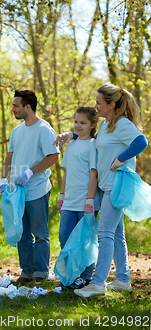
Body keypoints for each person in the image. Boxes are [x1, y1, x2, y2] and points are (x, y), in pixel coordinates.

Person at [53, 84, 148, 298]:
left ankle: (98, 283)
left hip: (116, 185)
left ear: (111, 105)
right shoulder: (107, 124)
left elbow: (141, 141)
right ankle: (123, 279)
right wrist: (70, 135)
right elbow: (92, 139)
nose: (96, 106)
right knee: (116, 234)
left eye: (99, 103)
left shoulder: (121, 123)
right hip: (105, 186)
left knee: (104, 233)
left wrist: (120, 159)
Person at [0, 90, 59, 284]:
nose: (12, 109)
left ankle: (41, 273)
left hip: (37, 189)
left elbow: (53, 156)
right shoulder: (17, 131)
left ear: (28, 107)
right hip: (17, 192)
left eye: (16, 105)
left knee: (39, 233)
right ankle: (27, 273)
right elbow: (9, 156)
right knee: (22, 233)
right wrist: (3, 179)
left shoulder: (44, 129)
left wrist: (30, 172)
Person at [56, 107, 100, 290]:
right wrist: (61, 195)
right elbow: (67, 173)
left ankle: (86, 276)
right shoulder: (71, 145)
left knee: (86, 240)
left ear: (92, 125)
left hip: (86, 201)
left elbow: (94, 175)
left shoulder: (94, 146)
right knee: (65, 237)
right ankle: (71, 275)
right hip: (69, 200)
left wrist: (90, 200)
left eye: (82, 122)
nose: (78, 125)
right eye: (76, 122)